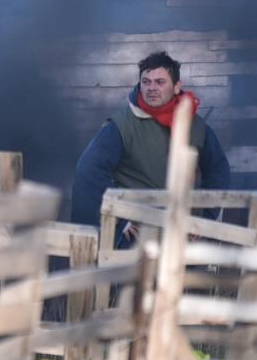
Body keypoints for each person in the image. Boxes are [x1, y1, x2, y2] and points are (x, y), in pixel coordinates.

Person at [71, 51, 230, 236]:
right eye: (146, 82)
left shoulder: (196, 126)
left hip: (182, 232)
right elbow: (89, 171)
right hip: (137, 235)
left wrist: (205, 219)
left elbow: (218, 171)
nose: (151, 88)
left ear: (177, 87)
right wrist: (119, 221)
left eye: (159, 82)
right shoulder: (121, 126)